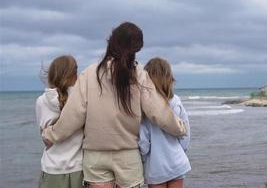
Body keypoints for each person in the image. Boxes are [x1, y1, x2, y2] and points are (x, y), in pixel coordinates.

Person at [42, 22, 187, 188]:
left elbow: (73, 115)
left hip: (95, 156)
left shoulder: (90, 73)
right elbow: (158, 111)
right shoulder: (138, 74)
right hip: (128, 156)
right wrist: (180, 128)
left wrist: (51, 135)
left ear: (111, 42)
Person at [139, 57, 191, 188]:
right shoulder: (176, 102)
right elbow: (185, 133)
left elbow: (144, 143)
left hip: (156, 166)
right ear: (169, 78)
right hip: (177, 161)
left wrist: (144, 160)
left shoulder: (146, 108)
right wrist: (180, 151)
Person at [35, 55, 83, 188]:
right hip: (78, 169)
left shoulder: (41, 101)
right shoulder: (81, 100)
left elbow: (44, 137)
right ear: (74, 74)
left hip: (51, 169)